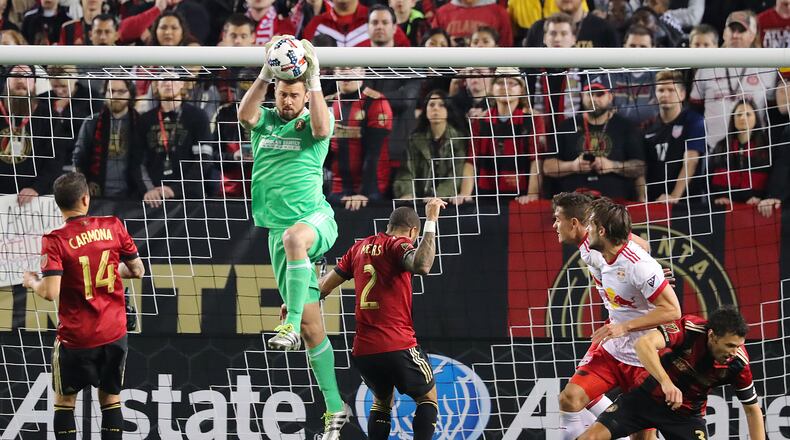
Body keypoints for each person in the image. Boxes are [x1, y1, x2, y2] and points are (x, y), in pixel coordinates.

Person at [236, 35, 348, 438]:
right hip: (278, 232)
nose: (287, 101)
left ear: (303, 96)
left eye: (293, 95)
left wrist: (314, 77)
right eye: (283, 94)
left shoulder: (312, 121)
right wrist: (266, 73)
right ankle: (335, 410)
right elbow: (245, 114)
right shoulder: (263, 121)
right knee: (314, 330)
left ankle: (289, 323)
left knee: (295, 242)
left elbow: (322, 126)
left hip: (315, 220)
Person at [22, 172, 145, 440]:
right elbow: (137, 270)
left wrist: (32, 282)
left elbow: (50, 293)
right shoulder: (113, 225)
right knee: (111, 400)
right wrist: (113, 270)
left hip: (77, 338)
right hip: (113, 332)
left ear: (58, 204)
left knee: (65, 402)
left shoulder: (55, 239)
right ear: (86, 198)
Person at [317, 199, 446, 440]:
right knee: (428, 398)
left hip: (364, 351)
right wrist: (431, 221)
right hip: (397, 344)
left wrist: (294, 304)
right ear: (412, 231)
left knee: (381, 401)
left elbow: (322, 288)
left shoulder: (358, 248)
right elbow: (423, 265)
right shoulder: (399, 245)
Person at [558, 197, 681, 440]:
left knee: (642, 437)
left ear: (601, 231)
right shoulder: (591, 249)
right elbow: (643, 244)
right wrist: (652, 279)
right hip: (614, 347)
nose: (586, 228)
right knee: (570, 398)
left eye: (590, 225)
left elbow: (673, 311)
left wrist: (651, 275)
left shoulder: (638, 266)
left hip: (646, 355)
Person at [578, 306, 766, 440]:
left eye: (738, 346)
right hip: (644, 400)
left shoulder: (739, 364)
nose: (733, 352)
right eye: (729, 345)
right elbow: (643, 344)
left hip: (685, 417)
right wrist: (666, 382)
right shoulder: (690, 329)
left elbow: (752, 410)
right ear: (712, 336)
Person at [543, 76, 645, 201]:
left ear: (610, 96)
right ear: (582, 96)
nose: (594, 99)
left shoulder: (626, 127)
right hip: (573, 204)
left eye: (600, 94)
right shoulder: (567, 126)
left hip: (615, 205)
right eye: (590, 93)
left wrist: (612, 166)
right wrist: (572, 166)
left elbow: (640, 167)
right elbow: (547, 167)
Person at [327, 66, 394, 210]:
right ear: (334, 73)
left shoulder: (377, 102)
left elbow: (374, 154)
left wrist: (365, 193)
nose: (346, 72)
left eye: (351, 68)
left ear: (363, 72)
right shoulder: (327, 104)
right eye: (340, 69)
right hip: (336, 189)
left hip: (370, 189)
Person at [640, 69, 705, 203]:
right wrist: (642, 197)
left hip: (685, 202)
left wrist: (674, 196)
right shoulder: (647, 127)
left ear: (682, 94)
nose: (665, 94)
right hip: (654, 200)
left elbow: (691, 162)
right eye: (661, 90)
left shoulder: (694, 121)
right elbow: (641, 167)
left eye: (671, 90)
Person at [73, 80, 144, 199]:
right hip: (96, 194)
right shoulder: (91, 122)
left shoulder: (141, 123)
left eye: (121, 92)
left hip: (133, 196)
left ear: (130, 94)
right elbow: (79, 158)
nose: (115, 96)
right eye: (111, 91)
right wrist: (82, 187)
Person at [393, 90, 469, 200]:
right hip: (419, 200)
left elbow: (456, 175)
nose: (436, 108)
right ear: (426, 110)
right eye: (431, 104)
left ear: (448, 110)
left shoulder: (459, 139)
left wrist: (437, 197)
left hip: (448, 201)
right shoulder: (415, 140)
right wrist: (408, 193)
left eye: (441, 105)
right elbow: (407, 171)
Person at [709, 99, 771, 206]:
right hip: (724, 209)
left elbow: (773, 179)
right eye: (739, 115)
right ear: (733, 118)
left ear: (756, 118)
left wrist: (762, 199)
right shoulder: (721, 147)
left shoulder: (766, 148)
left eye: (748, 114)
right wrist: (717, 198)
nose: (743, 118)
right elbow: (708, 177)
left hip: (757, 209)